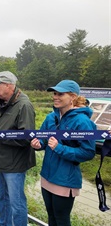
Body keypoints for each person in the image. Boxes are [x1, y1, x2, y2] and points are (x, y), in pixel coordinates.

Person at [30, 80, 96, 226]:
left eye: (60, 94)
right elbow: (43, 140)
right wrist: (37, 144)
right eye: (54, 93)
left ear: (72, 97)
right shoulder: (50, 118)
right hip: (47, 176)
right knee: (51, 217)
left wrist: (59, 148)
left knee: (61, 219)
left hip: (65, 180)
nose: (55, 97)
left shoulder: (82, 121)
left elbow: (88, 152)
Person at [0, 71, 36, 226]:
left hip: (15, 164)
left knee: (16, 203)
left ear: (9, 85)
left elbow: (26, 137)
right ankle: (4, 223)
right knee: (2, 198)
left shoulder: (24, 105)